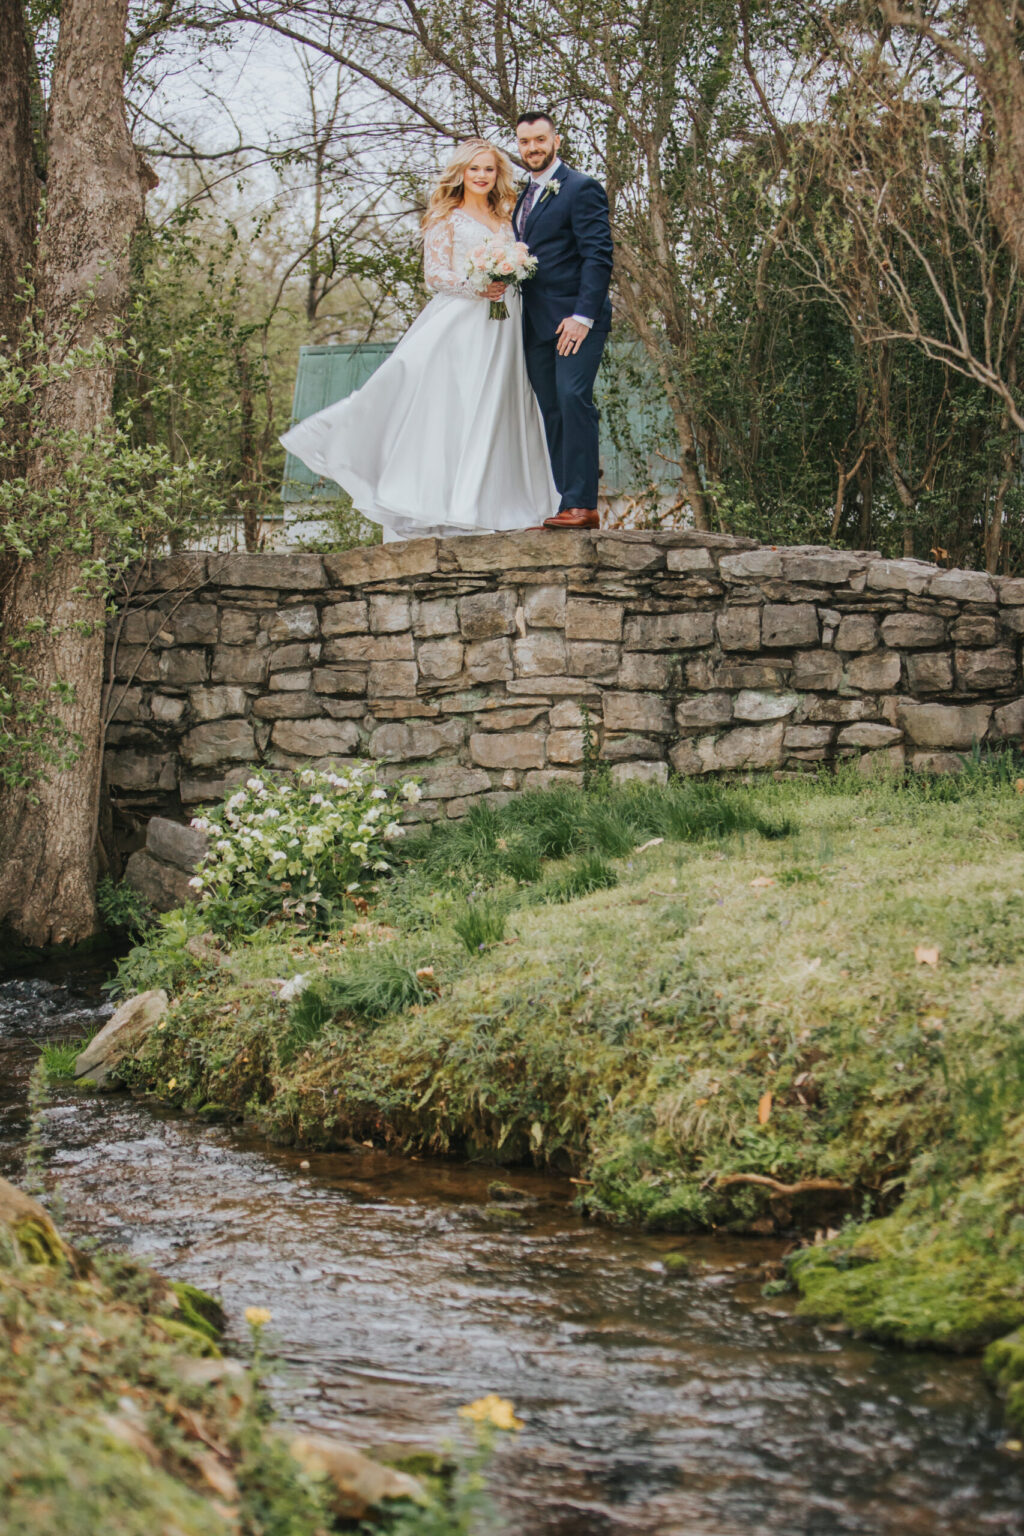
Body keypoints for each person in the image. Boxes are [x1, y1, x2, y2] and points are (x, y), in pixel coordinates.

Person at [279, 139, 559, 542]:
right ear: (460, 173)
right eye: (474, 168)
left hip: (506, 324)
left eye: (489, 169)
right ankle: (446, 502)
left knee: (501, 405)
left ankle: (497, 503)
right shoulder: (446, 217)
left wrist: (509, 276)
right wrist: (476, 285)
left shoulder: (508, 215)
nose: (482, 176)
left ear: (498, 175)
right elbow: (434, 275)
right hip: (462, 321)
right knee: (451, 405)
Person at [513, 111, 614, 530]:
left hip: (575, 321)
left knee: (574, 399)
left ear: (556, 141)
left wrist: (583, 316)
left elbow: (598, 254)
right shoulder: (524, 195)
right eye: (524, 142)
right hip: (534, 324)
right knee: (551, 410)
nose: (532, 148)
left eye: (540, 140)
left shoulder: (580, 187)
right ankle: (566, 501)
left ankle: (583, 505)